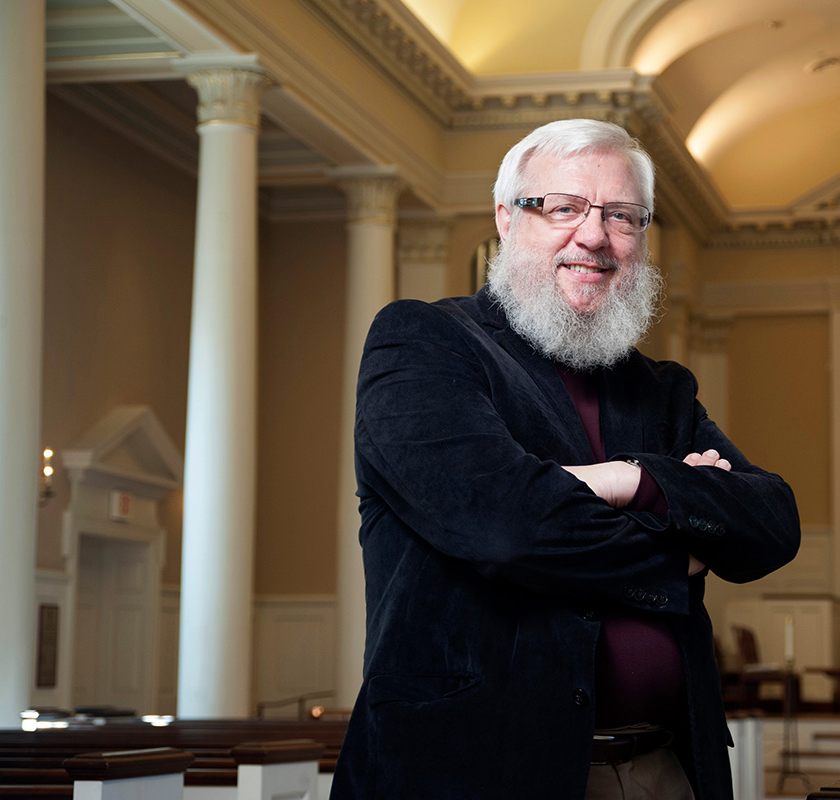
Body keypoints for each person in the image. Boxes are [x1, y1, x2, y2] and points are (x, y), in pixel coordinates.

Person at [331, 119, 800, 799]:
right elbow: (503, 525)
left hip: (666, 767)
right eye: (563, 208)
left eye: (622, 217)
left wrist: (627, 479)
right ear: (506, 218)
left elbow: (772, 524)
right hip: (475, 772)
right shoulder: (424, 343)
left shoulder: (663, 391)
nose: (594, 236)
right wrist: (682, 533)